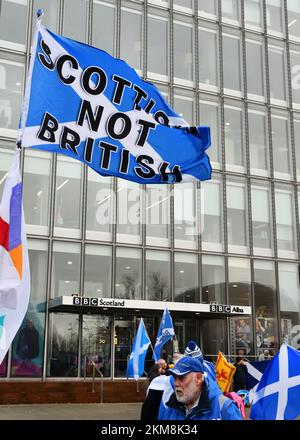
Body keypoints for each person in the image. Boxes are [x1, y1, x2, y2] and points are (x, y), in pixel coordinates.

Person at [158, 357, 242, 420]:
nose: (176, 383)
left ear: (198, 379)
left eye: (181, 378)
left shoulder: (224, 408)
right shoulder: (170, 407)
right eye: (175, 378)